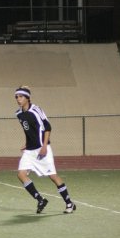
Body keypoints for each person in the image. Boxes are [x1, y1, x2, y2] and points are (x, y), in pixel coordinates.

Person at [14, 85, 76, 214]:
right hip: (30, 150)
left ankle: (69, 203)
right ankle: (40, 199)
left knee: (53, 176)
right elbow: (28, 131)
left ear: (27, 98)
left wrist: (44, 146)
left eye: (21, 96)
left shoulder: (36, 110)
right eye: (16, 97)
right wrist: (26, 143)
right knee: (21, 174)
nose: (18, 99)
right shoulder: (19, 114)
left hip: (42, 148)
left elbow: (47, 127)